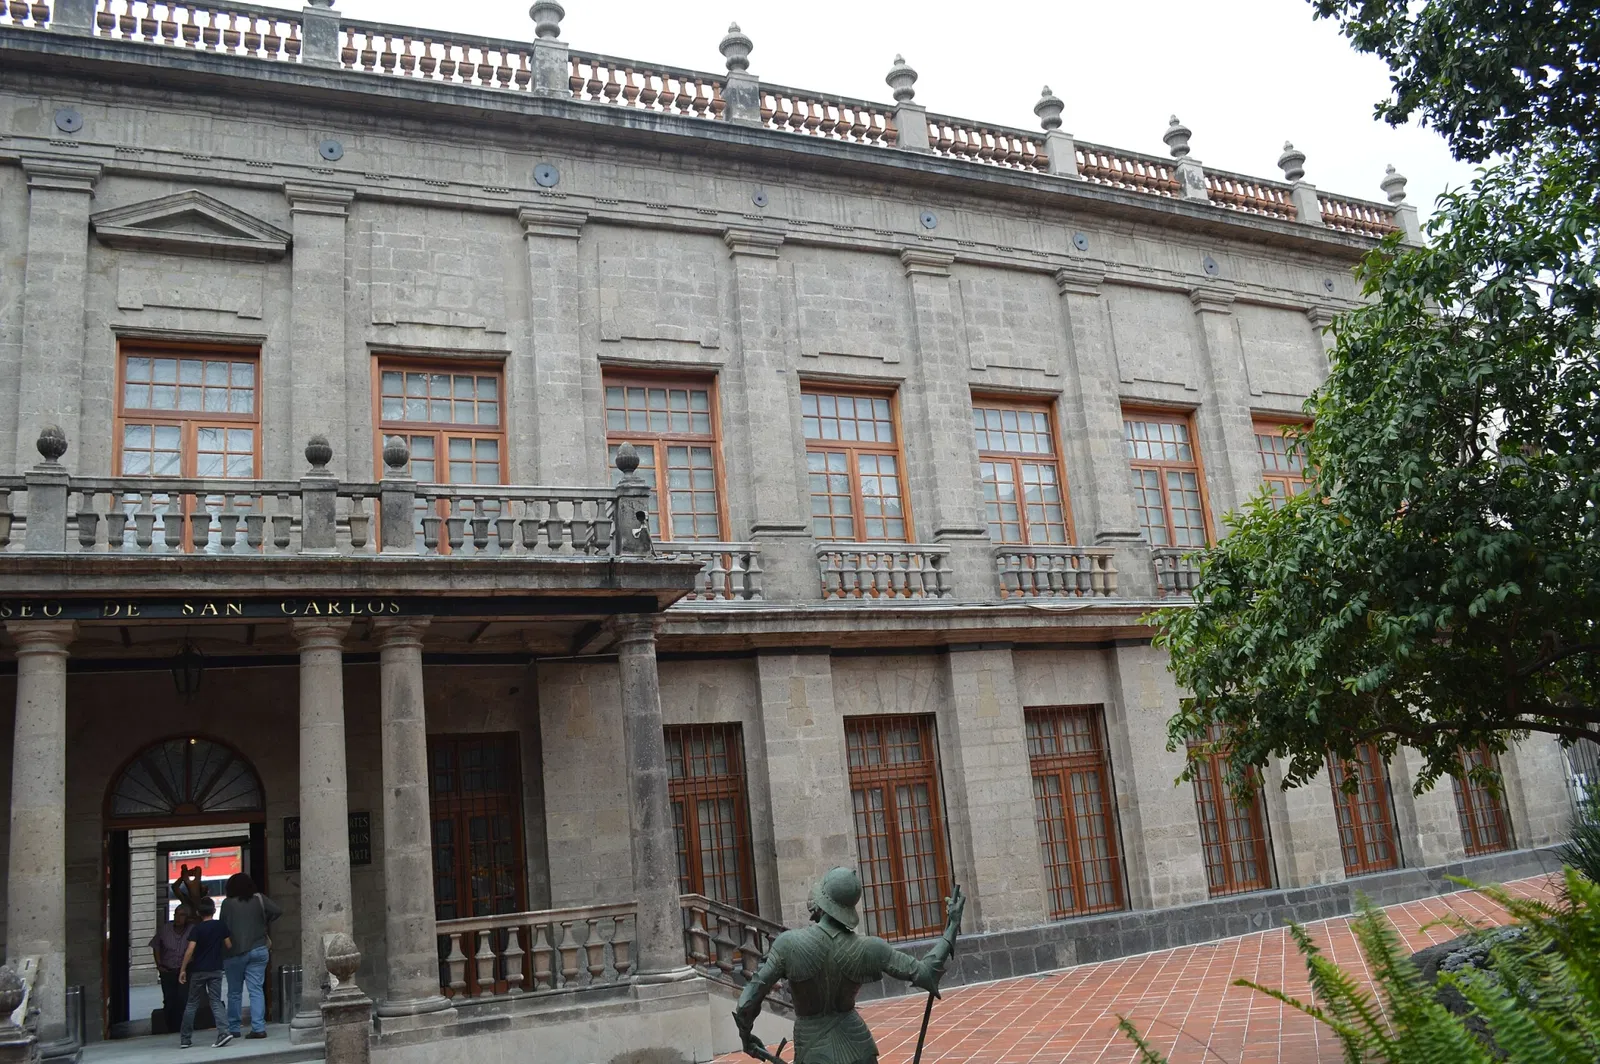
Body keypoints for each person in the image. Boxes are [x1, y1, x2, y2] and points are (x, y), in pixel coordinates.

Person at [734, 867, 965, 1064]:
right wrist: (952, 926)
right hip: (858, 1047)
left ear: (822, 903)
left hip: (814, 1050)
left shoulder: (788, 944)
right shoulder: (870, 948)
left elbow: (748, 1000)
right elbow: (926, 972)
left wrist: (746, 1036)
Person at [219, 872, 281, 1040]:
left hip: (234, 953)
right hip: (259, 949)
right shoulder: (259, 899)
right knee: (256, 990)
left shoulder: (227, 904)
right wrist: (264, 921)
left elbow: (222, 928)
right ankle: (259, 1028)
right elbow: (277, 910)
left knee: (234, 992)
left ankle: (233, 1028)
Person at [178, 897, 231, 1049]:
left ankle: (185, 1039)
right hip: (216, 969)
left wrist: (182, 969)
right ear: (214, 911)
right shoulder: (220, 925)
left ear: (198, 913)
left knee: (192, 1003)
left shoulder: (197, 929)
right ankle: (223, 1032)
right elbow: (228, 945)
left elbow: (190, 950)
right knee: (215, 1001)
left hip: (199, 970)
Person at [148, 904, 193, 1034]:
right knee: (169, 1000)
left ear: (187, 918)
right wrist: (159, 964)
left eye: (182, 915)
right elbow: (156, 945)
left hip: (184, 971)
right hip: (168, 971)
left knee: (183, 999)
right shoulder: (165, 929)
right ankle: (172, 1028)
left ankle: (185, 1028)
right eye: (176, 914)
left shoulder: (191, 929)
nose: (178, 918)